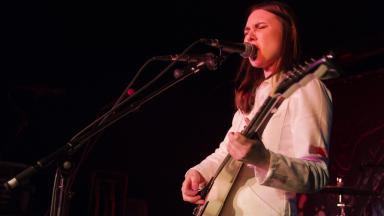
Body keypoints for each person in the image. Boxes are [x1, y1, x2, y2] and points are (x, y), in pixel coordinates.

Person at [181, 1, 333, 215]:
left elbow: (317, 174)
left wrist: (264, 160)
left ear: (287, 34)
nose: (249, 37)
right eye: (246, 31)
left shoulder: (306, 87)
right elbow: (226, 151)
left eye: (260, 27)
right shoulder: (252, 95)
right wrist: (199, 172)